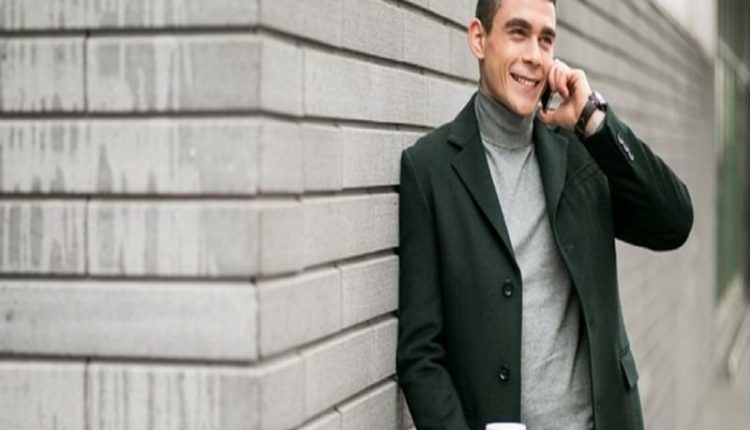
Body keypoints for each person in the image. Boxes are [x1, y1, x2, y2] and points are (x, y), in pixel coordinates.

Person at [395, 0, 694, 429]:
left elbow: (673, 222)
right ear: (479, 39)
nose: (535, 56)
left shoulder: (580, 151)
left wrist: (594, 120)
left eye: (546, 39)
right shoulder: (430, 170)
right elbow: (420, 354)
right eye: (518, 33)